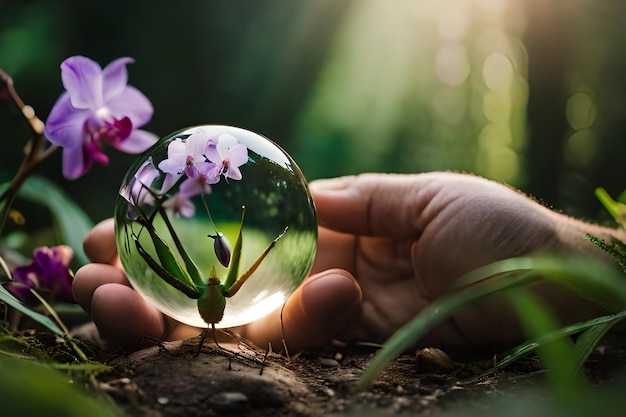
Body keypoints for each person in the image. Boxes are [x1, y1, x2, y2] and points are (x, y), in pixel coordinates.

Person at [73, 172, 624, 353]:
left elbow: (230, 261)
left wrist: (551, 251)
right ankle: (153, 240)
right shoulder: (209, 280)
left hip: (212, 301)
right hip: (210, 300)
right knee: (148, 263)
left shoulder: (216, 276)